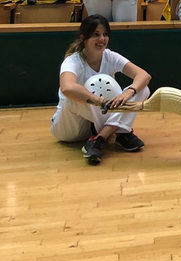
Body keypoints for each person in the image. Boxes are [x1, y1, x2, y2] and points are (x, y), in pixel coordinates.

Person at [52, 16, 152, 165]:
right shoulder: (73, 61)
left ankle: (100, 139)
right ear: (83, 39)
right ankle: (120, 131)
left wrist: (128, 92)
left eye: (105, 34)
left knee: (142, 89)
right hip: (68, 129)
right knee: (75, 95)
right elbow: (67, 88)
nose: (102, 39)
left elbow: (144, 75)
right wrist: (100, 101)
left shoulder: (110, 56)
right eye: (96, 34)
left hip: (95, 126)